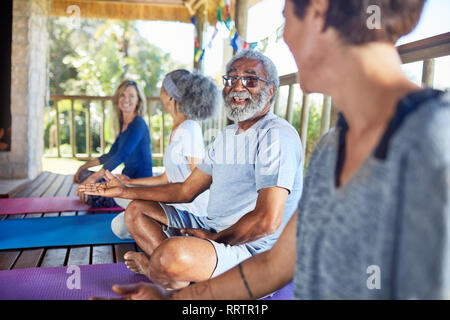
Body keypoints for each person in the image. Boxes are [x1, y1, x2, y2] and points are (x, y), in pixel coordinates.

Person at [91, 0, 450, 300]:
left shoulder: (435, 138)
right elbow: (273, 267)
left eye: (285, 19)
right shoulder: (330, 148)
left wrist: (213, 243)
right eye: (232, 79)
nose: (286, 37)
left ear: (318, 12)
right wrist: (173, 299)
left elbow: (267, 228)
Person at [79, 49, 304, 291]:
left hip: (251, 250)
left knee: (171, 256)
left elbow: (267, 221)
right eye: (231, 79)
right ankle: (177, 274)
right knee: (136, 212)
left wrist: (215, 239)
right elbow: (186, 190)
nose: (237, 86)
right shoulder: (227, 136)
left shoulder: (275, 136)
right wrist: (124, 190)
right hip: (210, 226)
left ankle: (164, 270)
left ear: (270, 90)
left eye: (250, 79)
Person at [110, 69, 220, 239]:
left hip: (190, 210)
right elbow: (167, 177)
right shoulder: (177, 129)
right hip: (173, 201)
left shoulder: (190, 128)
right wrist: (130, 182)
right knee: (118, 194)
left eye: (162, 90)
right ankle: (160, 226)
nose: (160, 94)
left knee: (118, 226)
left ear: (170, 96)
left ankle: (178, 233)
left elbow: (198, 178)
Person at [74, 80, 153, 207]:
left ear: (138, 101)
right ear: (118, 99)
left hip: (138, 188)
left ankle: (118, 201)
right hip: (125, 181)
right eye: (122, 95)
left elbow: (121, 155)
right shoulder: (124, 125)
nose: (126, 99)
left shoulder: (138, 124)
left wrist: (92, 179)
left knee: (89, 186)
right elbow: (111, 154)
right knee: (83, 174)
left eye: (131, 96)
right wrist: (82, 167)